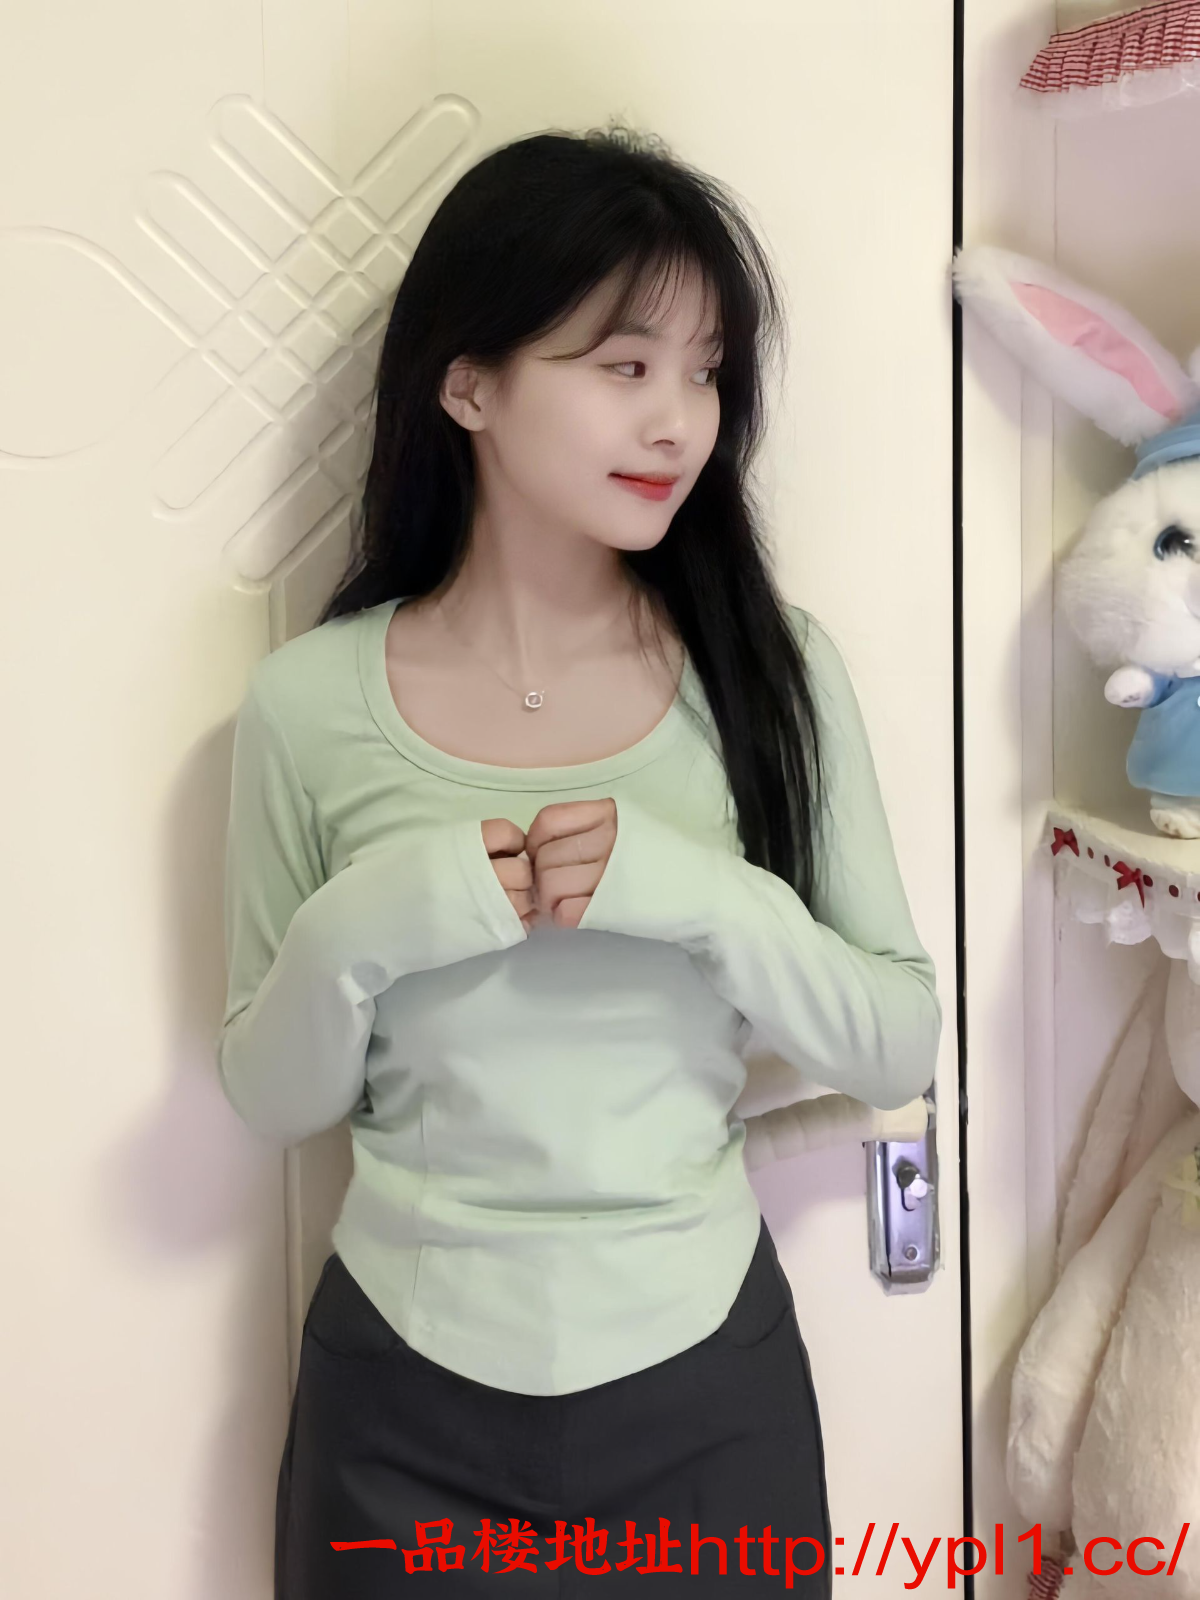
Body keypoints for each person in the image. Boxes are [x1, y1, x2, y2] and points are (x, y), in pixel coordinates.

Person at [216, 120, 942, 1598]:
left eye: (706, 371)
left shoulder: (774, 672)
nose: (681, 422)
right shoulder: (306, 703)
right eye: (624, 365)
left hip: (706, 1388)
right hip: (400, 1393)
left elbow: (894, 1041)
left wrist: (702, 898)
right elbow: (273, 1096)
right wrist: (365, 926)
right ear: (469, 384)